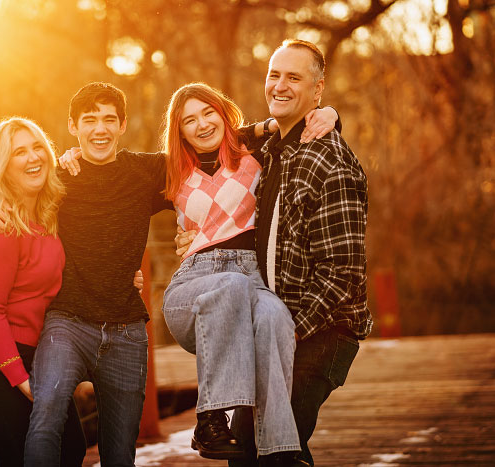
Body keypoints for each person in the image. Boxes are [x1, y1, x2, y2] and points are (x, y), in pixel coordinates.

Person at [57, 84, 339, 463]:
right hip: (196, 284)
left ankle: (281, 449)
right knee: (230, 285)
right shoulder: (169, 169)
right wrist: (71, 156)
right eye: (189, 120)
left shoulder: (258, 155)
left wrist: (332, 115)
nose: (201, 124)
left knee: (274, 316)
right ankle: (210, 417)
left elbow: (302, 133)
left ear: (224, 115)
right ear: (179, 130)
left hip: (252, 281)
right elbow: (106, 181)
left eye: (208, 114)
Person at [176, 40, 371, 467]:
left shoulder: (329, 160)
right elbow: (219, 139)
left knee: (269, 449)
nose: (279, 85)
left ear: (318, 90)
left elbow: (343, 274)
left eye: (294, 78)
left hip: (319, 330)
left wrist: (287, 331)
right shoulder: (268, 151)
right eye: (274, 75)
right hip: (271, 322)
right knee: (254, 451)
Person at [0, 82, 170, 467]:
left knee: (96, 450)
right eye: (90, 120)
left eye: (109, 120)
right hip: (33, 334)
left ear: (123, 124)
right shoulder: (26, 201)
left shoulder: (121, 177)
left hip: (106, 332)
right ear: (73, 126)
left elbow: (205, 155)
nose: (100, 129)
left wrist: (271, 128)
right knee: (36, 433)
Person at [0, 117, 86, 467]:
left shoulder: (48, 210)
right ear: (4, 166)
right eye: (18, 152)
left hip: (31, 346)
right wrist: (20, 379)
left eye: (38, 147)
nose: (32, 157)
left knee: (70, 449)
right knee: (25, 456)